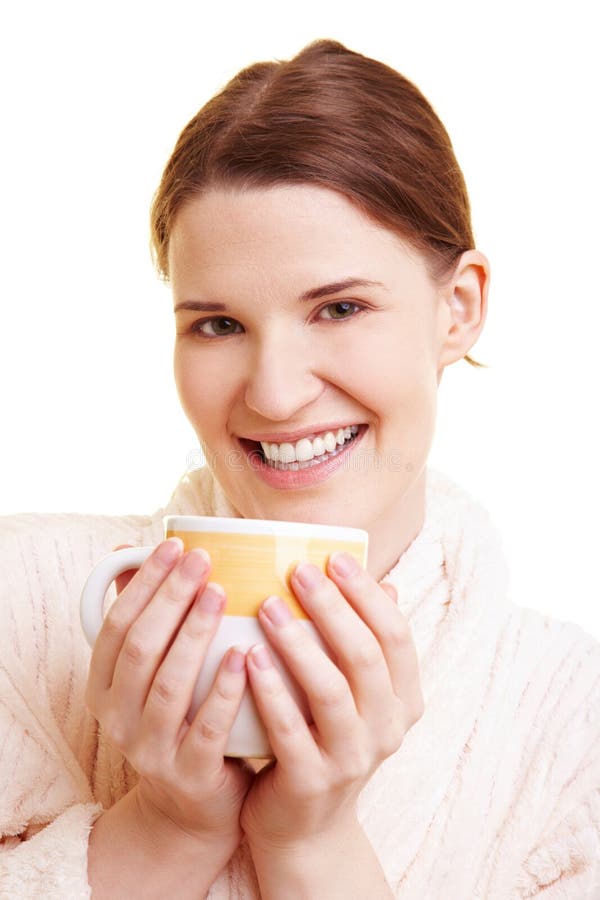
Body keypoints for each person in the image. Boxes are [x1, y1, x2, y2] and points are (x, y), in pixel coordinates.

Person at [1, 37, 598, 899]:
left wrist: (313, 849)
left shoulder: (574, 723)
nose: (276, 395)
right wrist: (166, 828)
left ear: (458, 308)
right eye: (216, 324)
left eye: (340, 308)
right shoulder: (20, 616)